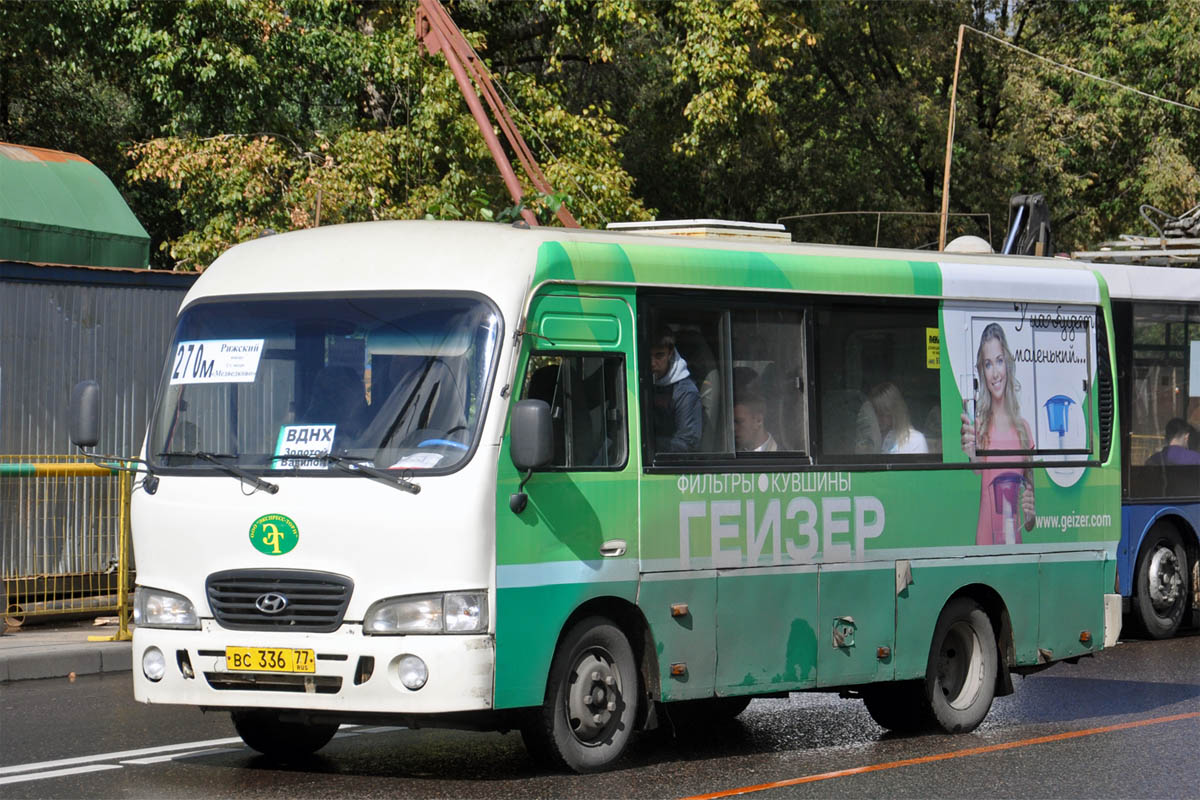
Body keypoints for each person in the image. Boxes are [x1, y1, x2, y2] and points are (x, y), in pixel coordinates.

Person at [961, 323, 1035, 545]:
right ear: (982, 372)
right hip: (985, 544)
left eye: (999, 361)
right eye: (988, 364)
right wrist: (970, 452)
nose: (995, 373)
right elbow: (973, 467)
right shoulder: (978, 427)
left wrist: (1030, 512)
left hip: (1015, 544)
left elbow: (1030, 522)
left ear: (1008, 365)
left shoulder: (1024, 429)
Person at [649, 328, 702, 452]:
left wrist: (646, 442)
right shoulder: (634, 378)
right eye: (647, 356)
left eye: (659, 355)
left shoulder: (686, 392)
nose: (652, 363)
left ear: (670, 353)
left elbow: (688, 443)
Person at [869, 381, 928, 454]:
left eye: (883, 413)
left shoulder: (915, 440)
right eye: (874, 412)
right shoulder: (868, 438)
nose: (877, 419)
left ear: (896, 412)